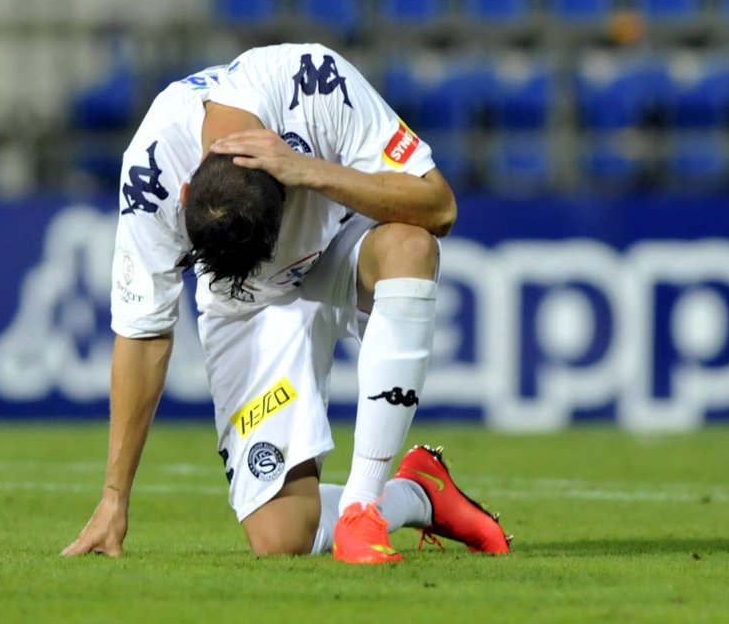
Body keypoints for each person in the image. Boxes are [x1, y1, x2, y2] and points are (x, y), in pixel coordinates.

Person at [62, 43, 510, 563]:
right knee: (282, 539)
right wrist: (114, 498)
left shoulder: (313, 82)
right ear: (184, 195)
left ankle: (363, 509)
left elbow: (439, 205)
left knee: (412, 245)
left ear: (283, 199)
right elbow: (143, 333)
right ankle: (419, 494)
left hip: (336, 247)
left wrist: (310, 171)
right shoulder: (150, 174)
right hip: (245, 303)